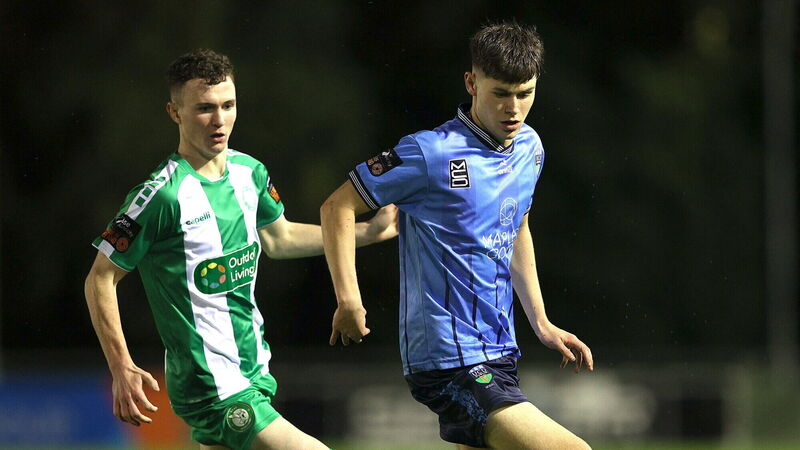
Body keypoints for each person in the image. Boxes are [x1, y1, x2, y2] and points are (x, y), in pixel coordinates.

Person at [84, 48, 397, 450]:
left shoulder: (250, 173)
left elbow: (280, 239)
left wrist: (366, 232)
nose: (219, 120)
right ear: (174, 112)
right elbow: (100, 279)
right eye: (204, 108)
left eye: (228, 105)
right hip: (210, 383)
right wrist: (121, 366)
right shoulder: (161, 196)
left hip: (253, 370)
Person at [320, 22, 593, 449]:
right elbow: (337, 206)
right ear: (471, 82)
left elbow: (516, 227)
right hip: (449, 357)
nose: (514, 108)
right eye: (500, 93)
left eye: (525, 93)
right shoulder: (429, 152)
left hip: (500, 350)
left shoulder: (530, 148)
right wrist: (349, 299)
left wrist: (541, 323)